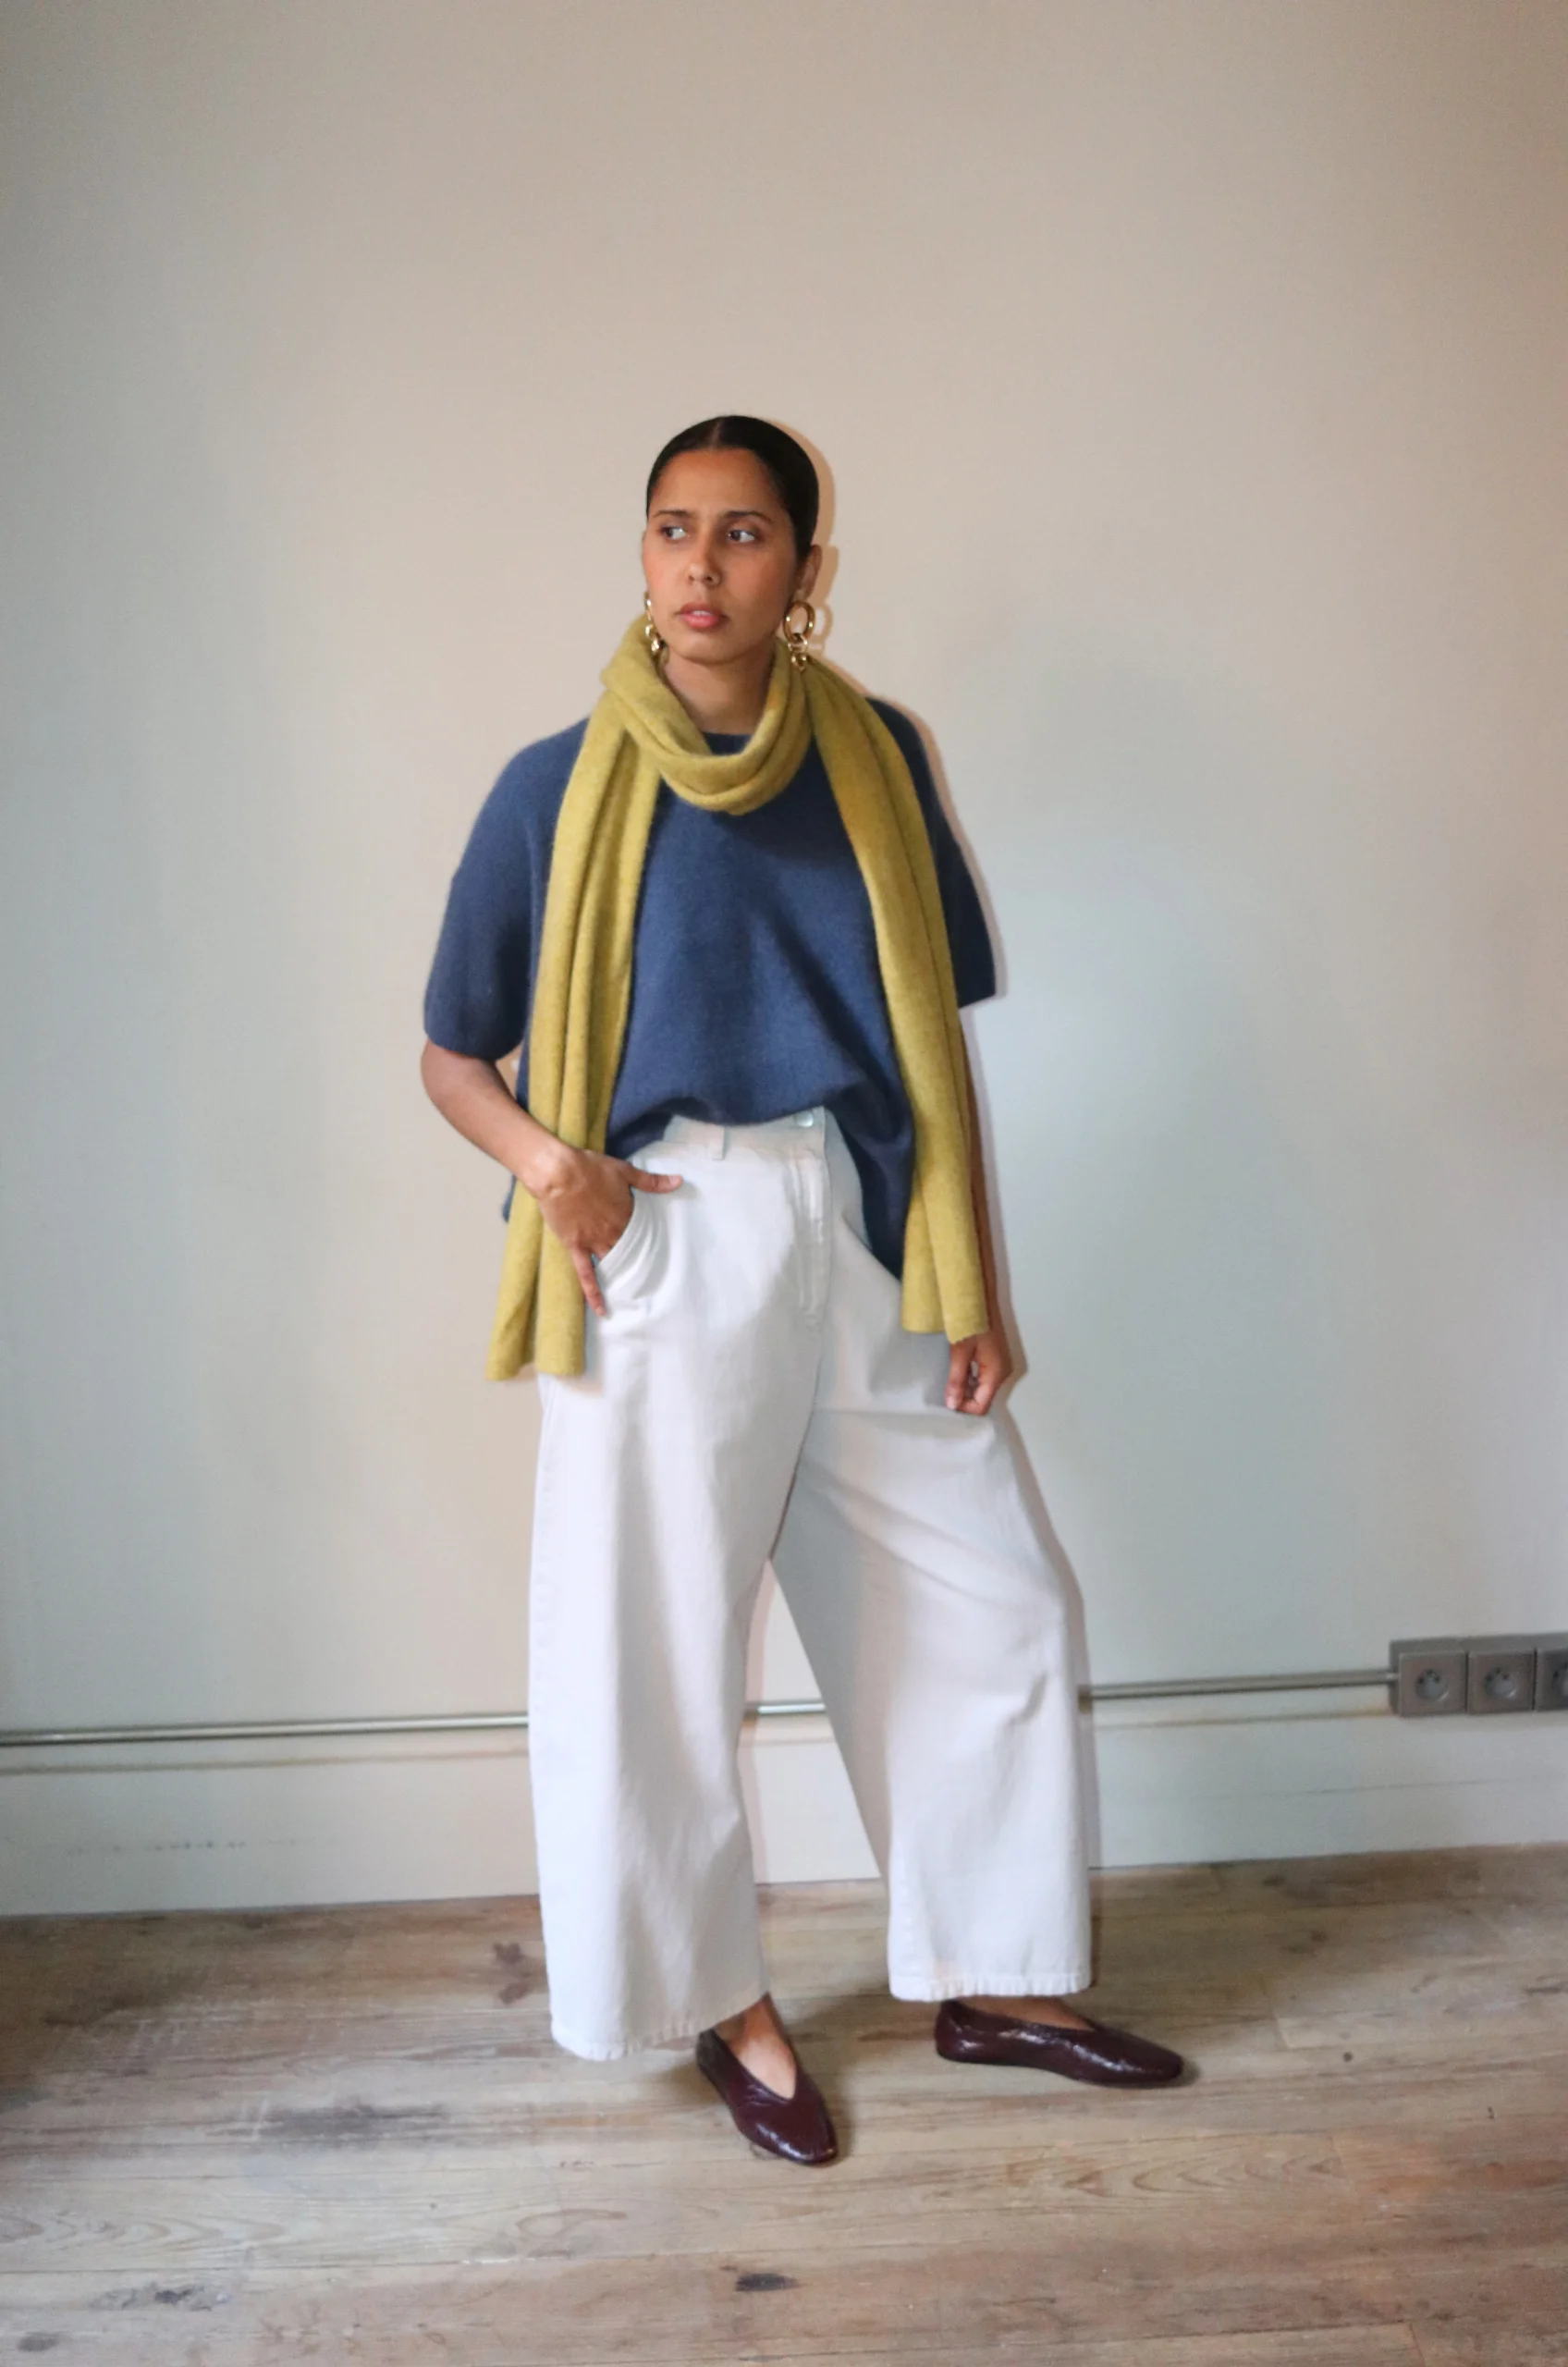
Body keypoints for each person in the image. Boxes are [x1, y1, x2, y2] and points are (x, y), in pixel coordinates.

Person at [420, 415, 1184, 2166]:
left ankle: (995, 1975)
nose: (702, 565)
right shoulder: (552, 787)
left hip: (861, 1214)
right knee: (652, 1645)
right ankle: (720, 2004)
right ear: (642, 555)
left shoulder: (876, 756)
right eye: (672, 527)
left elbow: (926, 1049)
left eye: (746, 532)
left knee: (991, 1600)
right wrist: (561, 1174)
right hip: (663, 1231)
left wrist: (971, 1273)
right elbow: (453, 1053)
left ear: (805, 571)